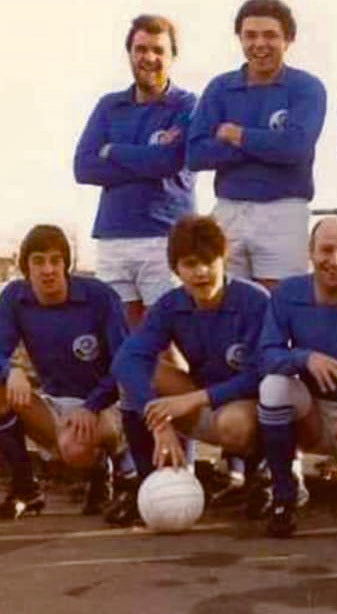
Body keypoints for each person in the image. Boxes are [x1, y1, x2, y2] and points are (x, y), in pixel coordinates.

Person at [111, 215, 270, 524]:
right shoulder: (171, 305)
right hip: (202, 404)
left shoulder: (254, 301)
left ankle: (262, 479)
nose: (200, 272)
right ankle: (149, 482)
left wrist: (194, 399)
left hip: (245, 407)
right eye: (189, 263)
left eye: (208, 261)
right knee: (139, 373)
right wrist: (158, 422)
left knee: (235, 423)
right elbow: (126, 360)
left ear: (224, 259)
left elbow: (260, 375)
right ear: (176, 269)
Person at [187, 0, 326, 291]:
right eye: (250, 35)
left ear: (288, 39)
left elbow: (295, 147)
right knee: (229, 304)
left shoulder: (306, 87)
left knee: (280, 303)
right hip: (229, 210)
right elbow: (196, 154)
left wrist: (239, 136)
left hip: (283, 211)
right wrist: (267, 145)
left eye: (270, 35)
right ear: (239, 38)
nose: (259, 44)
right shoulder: (220, 88)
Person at [256, 216, 337, 537]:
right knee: (274, 387)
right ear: (310, 252)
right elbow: (266, 354)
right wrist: (304, 357)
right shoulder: (287, 294)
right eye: (326, 250)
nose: (335, 261)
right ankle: (284, 495)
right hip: (310, 410)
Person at [0, 225, 131, 519]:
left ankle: (113, 467)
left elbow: (125, 364)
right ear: (25, 267)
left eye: (55, 260)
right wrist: (10, 370)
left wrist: (93, 405)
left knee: (75, 448)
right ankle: (26, 488)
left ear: (66, 265)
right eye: (38, 261)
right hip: (55, 404)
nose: (48, 270)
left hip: (105, 404)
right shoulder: (14, 297)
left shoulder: (100, 297)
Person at [74, 14, 197, 326]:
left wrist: (113, 151)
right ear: (129, 53)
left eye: (158, 50)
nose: (149, 58)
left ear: (173, 56)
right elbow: (84, 167)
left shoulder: (188, 105)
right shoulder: (109, 106)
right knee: (124, 340)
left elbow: (169, 162)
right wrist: (148, 158)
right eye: (141, 49)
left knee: (169, 340)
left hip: (165, 237)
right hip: (113, 237)